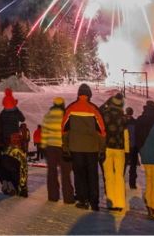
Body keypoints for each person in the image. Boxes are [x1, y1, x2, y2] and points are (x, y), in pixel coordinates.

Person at [62, 83, 106, 212]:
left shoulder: (70, 108)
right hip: (92, 148)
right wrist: (102, 149)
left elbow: (64, 131)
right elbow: (102, 132)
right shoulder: (94, 109)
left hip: (76, 148)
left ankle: (82, 200)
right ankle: (94, 202)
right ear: (90, 95)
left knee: (79, 174)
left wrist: (65, 148)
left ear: (78, 94)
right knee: (92, 175)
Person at [99, 93, 129, 211]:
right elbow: (126, 136)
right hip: (119, 149)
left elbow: (99, 110)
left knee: (109, 176)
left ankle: (111, 203)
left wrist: (106, 103)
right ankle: (120, 203)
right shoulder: (123, 117)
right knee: (119, 177)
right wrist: (127, 152)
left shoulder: (105, 115)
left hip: (107, 148)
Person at [41, 98, 74, 204]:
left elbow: (44, 132)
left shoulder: (48, 116)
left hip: (50, 147)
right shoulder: (66, 116)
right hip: (63, 147)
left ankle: (53, 196)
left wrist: (42, 146)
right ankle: (68, 198)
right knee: (65, 173)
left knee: (52, 171)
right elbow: (69, 133)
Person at [0, 133, 28, 197]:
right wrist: (23, 188)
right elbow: (23, 171)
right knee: (15, 173)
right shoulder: (20, 153)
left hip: (3, 172)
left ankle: (6, 183)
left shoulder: (8, 150)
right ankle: (13, 186)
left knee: (5, 170)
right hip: (14, 174)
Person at [125, 106, 139, 189]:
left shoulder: (123, 121)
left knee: (122, 166)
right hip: (133, 147)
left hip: (124, 147)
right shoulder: (135, 122)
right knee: (133, 166)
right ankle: (132, 183)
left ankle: (119, 183)